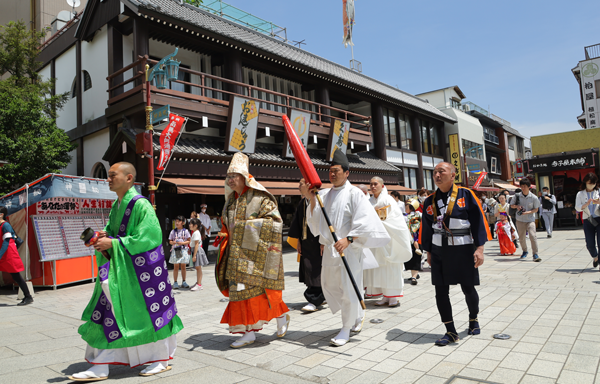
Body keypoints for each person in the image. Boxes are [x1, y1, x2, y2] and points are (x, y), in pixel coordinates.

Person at [70, 162, 183, 381]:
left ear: (129, 178)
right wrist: (105, 237)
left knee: (150, 315)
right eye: (109, 175)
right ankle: (101, 364)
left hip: (143, 276)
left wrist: (113, 244)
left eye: (113, 175)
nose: (108, 179)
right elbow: (115, 233)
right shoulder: (117, 205)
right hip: (122, 271)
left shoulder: (141, 205)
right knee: (109, 313)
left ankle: (160, 360)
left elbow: (149, 237)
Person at [300, 149, 390, 346]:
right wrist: (311, 198)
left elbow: (365, 221)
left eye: (337, 171)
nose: (333, 174)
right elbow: (316, 221)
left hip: (349, 249)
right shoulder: (324, 194)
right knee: (330, 285)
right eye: (330, 171)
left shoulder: (355, 194)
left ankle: (346, 327)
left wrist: (349, 239)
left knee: (348, 287)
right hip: (331, 249)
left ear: (347, 172)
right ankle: (356, 314)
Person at [215, 152, 289, 348]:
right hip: (236, 257)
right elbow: (227, 225)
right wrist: (225, 234)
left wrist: (242, 229)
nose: (230, 180)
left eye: (234, 176)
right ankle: (248, 332)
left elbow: (275, 222)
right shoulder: (230, 201)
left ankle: (280, 317)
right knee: (239, 293)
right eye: (228, 176)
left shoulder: (261, 197)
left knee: (263, 292)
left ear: (244, 177)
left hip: (258, 256)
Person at [420, 162, 491, 346]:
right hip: (438, 251)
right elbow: (426, 228)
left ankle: (473, 319)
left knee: (468, 287)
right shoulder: (429, 201)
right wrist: (428, 251)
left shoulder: (466, 195)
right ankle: (450, 331)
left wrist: (480, 249)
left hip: (463, 248)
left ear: (452, 175)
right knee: (440, 291)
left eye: (441, 171)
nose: (437, 175)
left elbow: (478, 221)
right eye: (435, 172)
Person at [364, 177, 412, 307]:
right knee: (380, 268)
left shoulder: (388, 199)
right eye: (371, 184)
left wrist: (380, 223)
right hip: (376, 239)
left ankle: (393, 297)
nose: (373, 186)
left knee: (391, 267)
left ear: (382, 185)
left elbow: (396, 220)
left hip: (389, 238)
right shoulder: (369, 201)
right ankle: (385, 295)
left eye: (375, 184)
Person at [288, 193, 325, 312]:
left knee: (317, 269)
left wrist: (324, 241)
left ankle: (314, 299)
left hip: (319, 242)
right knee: (309, 269)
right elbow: (298, 223)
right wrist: (298, 240)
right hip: (306, 241)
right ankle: (320, 296)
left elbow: (325, 221)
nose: (299, 187)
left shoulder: (320, 200)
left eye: (302, 184)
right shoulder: (303, 202)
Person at [0, 206, 34, 306]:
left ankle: (28, 296)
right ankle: (28, 296)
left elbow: (6, 242)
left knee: (16, 276)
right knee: (16, 276)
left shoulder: (6, 226)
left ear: (1, 214)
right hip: (3, 253)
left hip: (9, 254)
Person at [511, 179, 541, 262]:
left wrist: (527, 212)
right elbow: (511, 205)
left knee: (532, 235)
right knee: (521, 238)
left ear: (529, 187)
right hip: (519, 219)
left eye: (524, 186)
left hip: (530, 219)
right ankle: (525, 251)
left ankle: (535, 254)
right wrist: (517, 206)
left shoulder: (534, 197)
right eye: (522, 186)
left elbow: (536, 209)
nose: (523, 188)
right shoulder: (517, 196)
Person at [575, 173, 600, 270]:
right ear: (585, 182)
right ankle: (595, 257)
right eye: (589, 183)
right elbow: (577, 207)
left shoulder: (598, 191)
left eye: (593, 183)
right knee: (590, 243)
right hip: (588, 219)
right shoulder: (580, 194)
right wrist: (586, 204)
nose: (591, 185)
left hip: (599, 218)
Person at [168, 216, 191, 289]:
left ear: (183, 223)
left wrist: (183, 243)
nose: (177, 223)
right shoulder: (173, 231)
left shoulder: (186, 231)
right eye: (176, 221)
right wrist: (173, 242)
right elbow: (170, 241)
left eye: (179, 221)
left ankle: (184, 281)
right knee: (176, 267)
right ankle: (175, 282)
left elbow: (189, 240)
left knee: (183, 266)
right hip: (176, 250)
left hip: (183, 250)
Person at [404, 199, 423, 285]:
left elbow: (416, 228)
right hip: (409, 240)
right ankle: (414, 275)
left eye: (407, 206)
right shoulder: (404, 215)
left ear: (412, 207)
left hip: (415, 240)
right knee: (411, 258)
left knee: (415, 258)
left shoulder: (418, 215)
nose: (405, 208)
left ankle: (414, 277)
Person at [188, 218, 209, 291]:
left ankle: (199, 284)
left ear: (195, 225)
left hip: (197, 251)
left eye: (191, 224)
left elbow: (197, 244)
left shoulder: (196, 233)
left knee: (198, 268)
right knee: (198, 268)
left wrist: (194, 255)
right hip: (195, 250)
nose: (190, 225)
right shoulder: (195, 232)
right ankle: (198, 283)